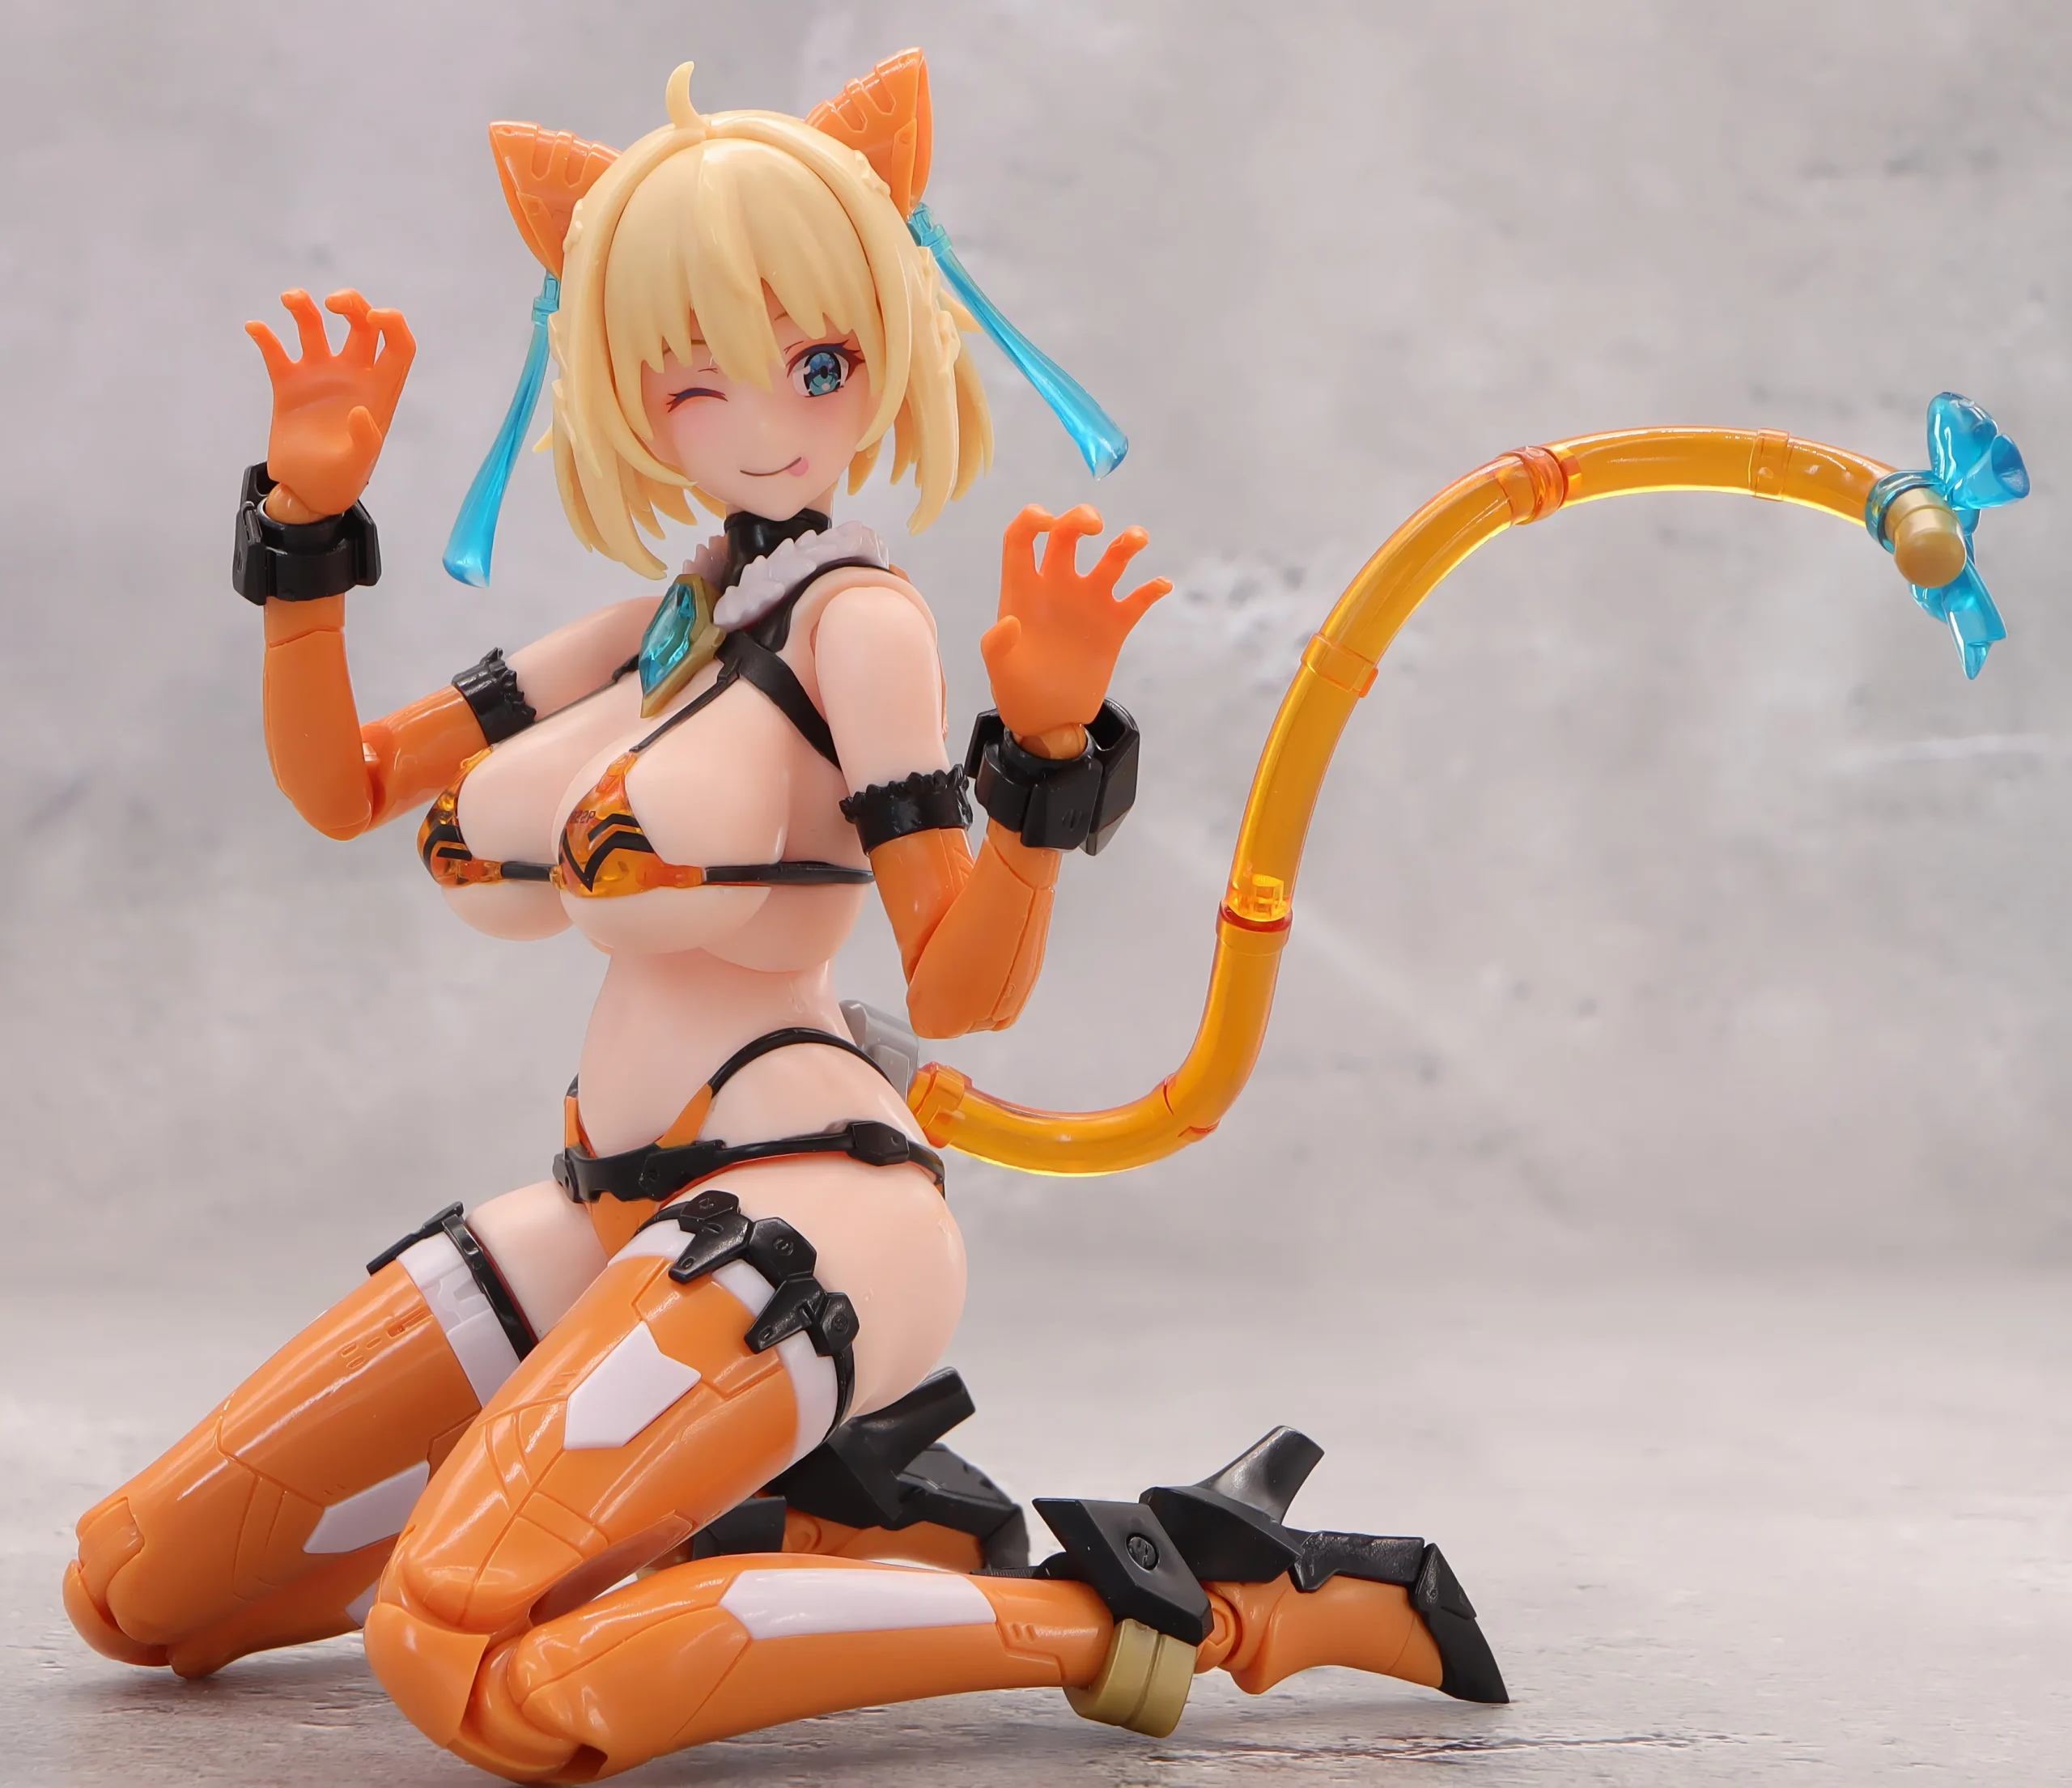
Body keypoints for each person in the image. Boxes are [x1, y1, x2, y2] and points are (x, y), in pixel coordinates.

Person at [63, 51, 1506, 1780]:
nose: (766, 420)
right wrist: (306, 533)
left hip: (803, 1216)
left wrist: (1043, 765)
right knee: (131, 1589)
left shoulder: (859, 629)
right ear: (625, 392)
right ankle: (815, 1519)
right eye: (696, 381)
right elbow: (348, 782)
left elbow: (959, 992)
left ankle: (1163, 1605)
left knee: (466, 1664)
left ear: (886, 345)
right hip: (609, 1203)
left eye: (818, 363)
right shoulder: (659, 628)